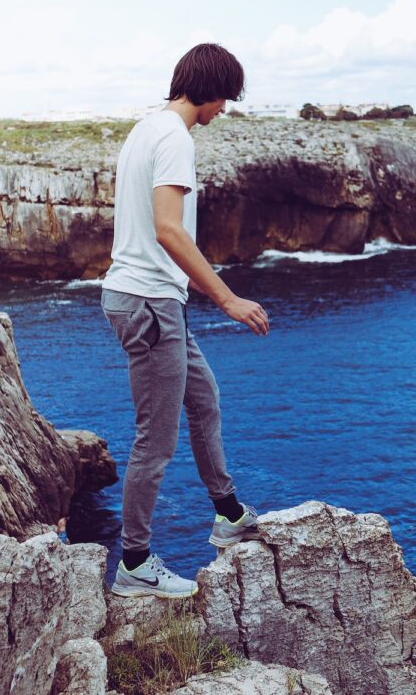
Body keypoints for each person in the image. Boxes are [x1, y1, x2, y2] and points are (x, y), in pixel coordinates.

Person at [101, 43, 270, 599]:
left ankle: (227, 511)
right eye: (226, 97)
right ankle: (135, 562)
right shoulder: (175, 138)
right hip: (150, 305)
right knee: (156, 440)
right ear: (211, 88)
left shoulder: (146, 129)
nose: (225, 109)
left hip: (153, 301)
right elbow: (170, 230)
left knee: (205, 401)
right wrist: (227, 299)